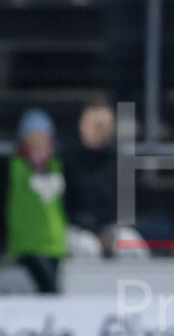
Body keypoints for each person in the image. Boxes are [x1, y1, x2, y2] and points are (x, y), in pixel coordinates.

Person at [64, 98, 149, 258]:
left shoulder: (120, 160)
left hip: (111, 227)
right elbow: (66, 207)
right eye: (94, 124)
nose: (99, 130)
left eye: (104, 125)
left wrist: (107, 232)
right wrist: (94, 232)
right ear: (81, 125)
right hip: (75, 229)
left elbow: (127, 208)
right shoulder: (67, 158)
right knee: (88, 248)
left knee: (132, 248)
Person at [2, 109, 67, 293]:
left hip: (55, 244)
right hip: (27, 244)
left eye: (43, 135)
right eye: (33, 135)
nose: (39, 140)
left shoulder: (57, 165)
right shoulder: (12, 166)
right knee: (48, 291)